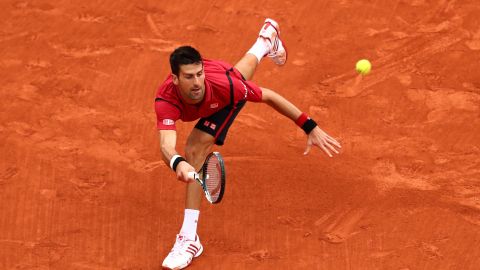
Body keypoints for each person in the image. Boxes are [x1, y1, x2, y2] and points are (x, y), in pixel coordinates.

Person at [155, 18, 341, 270]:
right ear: (175, 79)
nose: (196, 82)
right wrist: (177, 163)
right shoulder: (165, 99)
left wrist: (309, 126)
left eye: (199, 74)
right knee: (238, 76)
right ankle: (266, 41)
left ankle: (189, 238)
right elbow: (166, 145)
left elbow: (268, 95)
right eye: (189, 77)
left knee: (196, 148)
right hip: (227, 78)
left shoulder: (222, 87)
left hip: (223, 95)